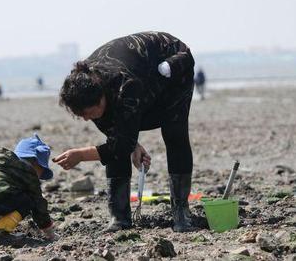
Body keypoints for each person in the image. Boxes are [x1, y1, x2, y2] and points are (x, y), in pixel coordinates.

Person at [54, 31, 195, 232]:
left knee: (174, 133)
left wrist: (81, 155)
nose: (86, 118)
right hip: (140, 73)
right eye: (80, 115)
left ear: (101, 97)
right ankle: (119, 217)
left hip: (173, 66)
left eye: (87, 113)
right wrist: (133, 145)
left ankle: (182, 213)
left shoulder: (126, 86)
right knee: (118, 144)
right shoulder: (85, 81)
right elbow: (117, 136)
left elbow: (120, 145)